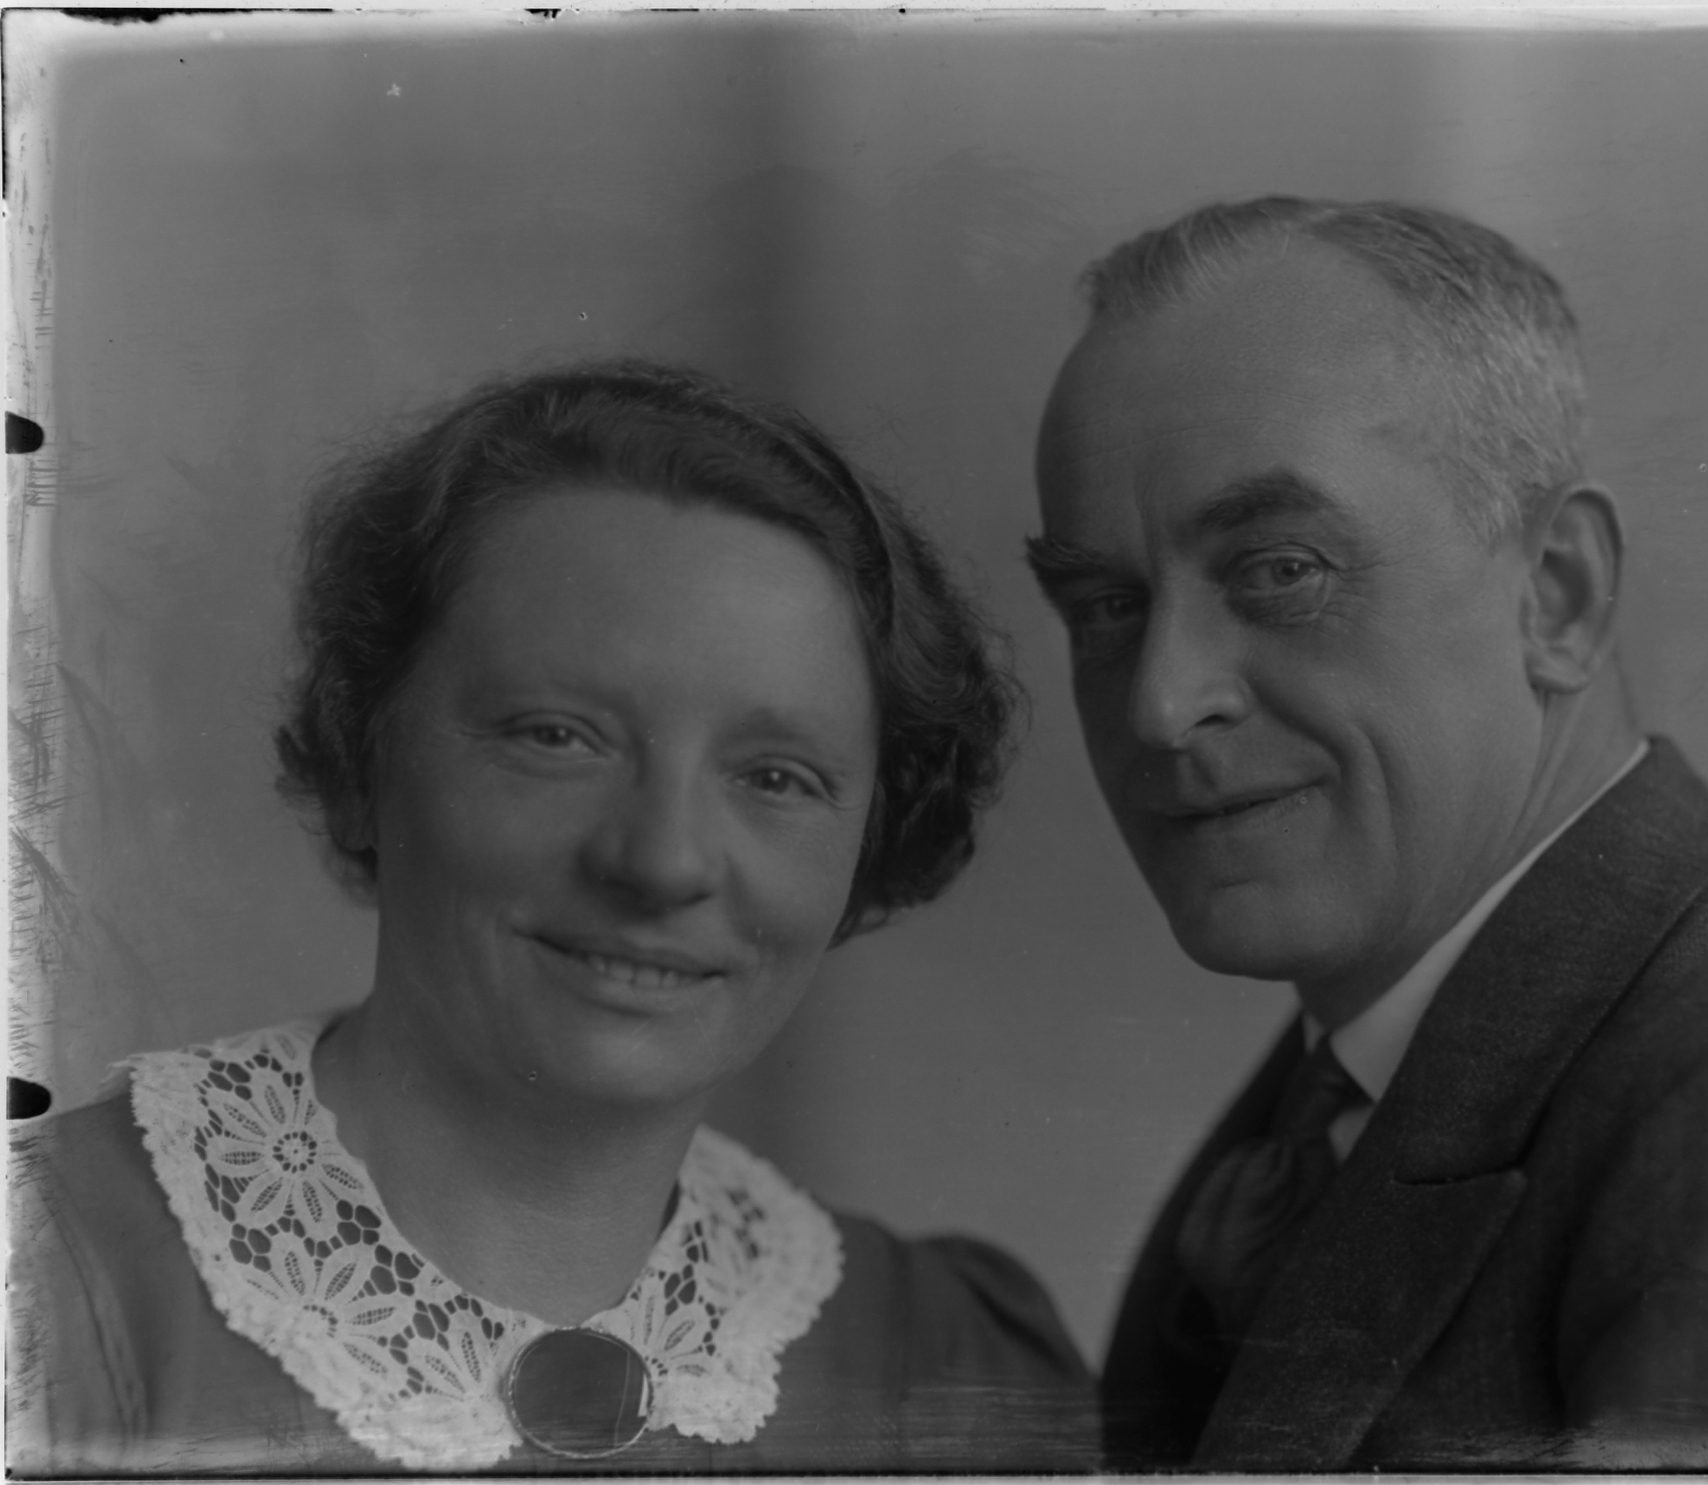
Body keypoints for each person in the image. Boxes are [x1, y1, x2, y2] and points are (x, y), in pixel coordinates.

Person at [1026, 198, 1708, 1470]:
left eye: (1279, 570)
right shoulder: (1343, 1080)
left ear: (1556, 596)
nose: (1161, 705)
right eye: (1103, 606)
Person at [11, 361, 1094, 1474]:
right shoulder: (48, 1279)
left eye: (775, 777)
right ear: (357, 754)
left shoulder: (947, 1362)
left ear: (865, 845)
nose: (662, 861)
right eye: (557, 736)